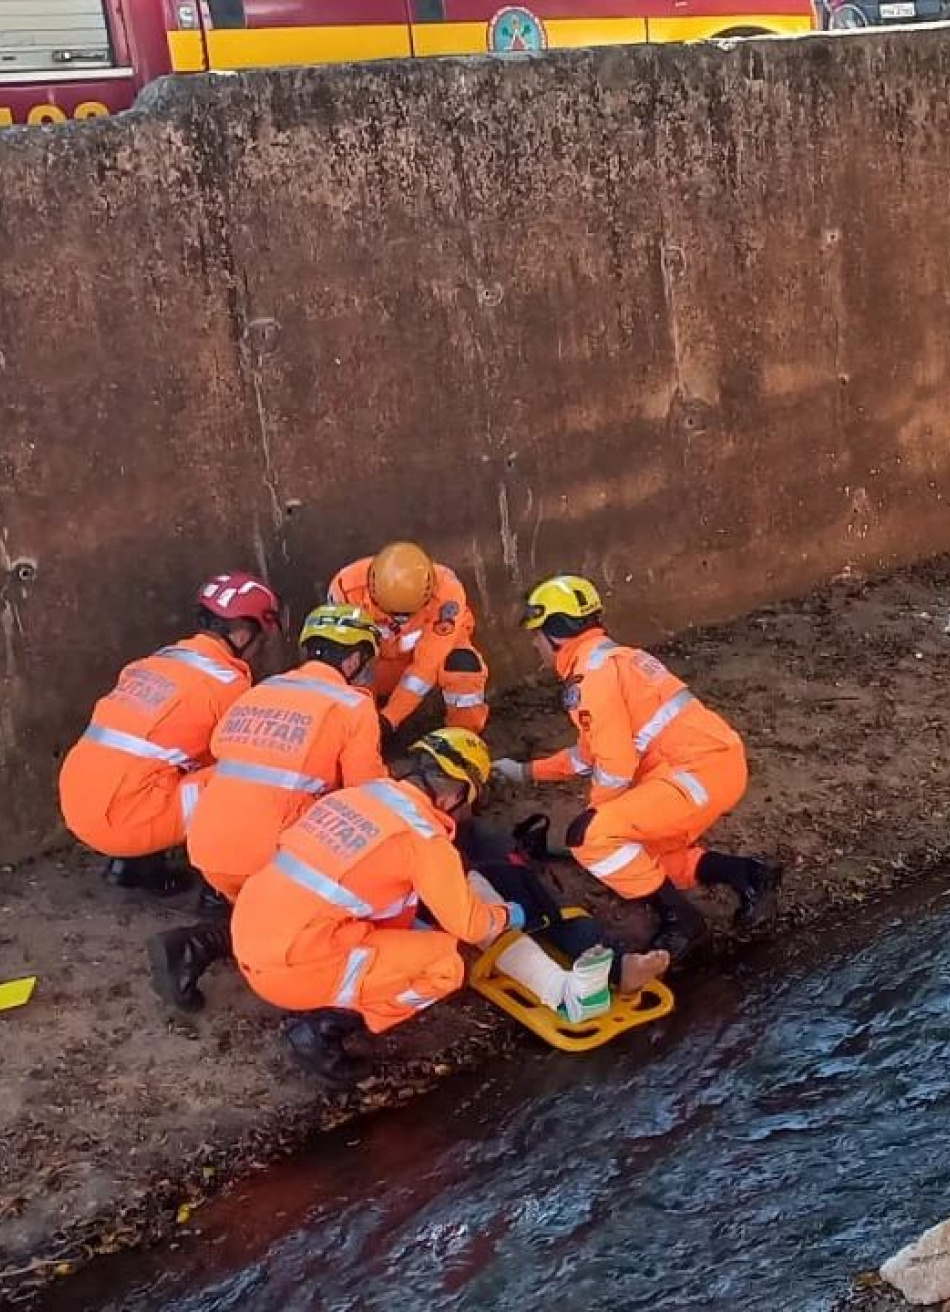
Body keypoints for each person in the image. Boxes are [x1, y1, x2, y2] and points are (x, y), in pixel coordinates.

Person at [492, 574, 781, 962]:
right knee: (639, 857)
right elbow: (590, 753)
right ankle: (749, 876)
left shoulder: (591, 677)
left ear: (556, 633)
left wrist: (597, 820)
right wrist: (527, 772)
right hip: (708, 769)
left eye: (536, 634)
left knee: (592, 839)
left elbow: (614, 764)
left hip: (694, 775)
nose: (534, 643)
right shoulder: (612, 661)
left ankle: (682, 922)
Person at [231, 729, 518, 1084]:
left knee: (406, 925)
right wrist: (505, 915)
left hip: (249, 930)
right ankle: (325, 1028)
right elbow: (471, 927)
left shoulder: (356, 795)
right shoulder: (424, 840)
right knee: (446, 964)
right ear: (454, 795)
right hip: (289, 971)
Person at [148, 604, 387, 1012]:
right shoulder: (352, 706)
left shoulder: (260, 689)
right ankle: (200, 945)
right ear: (352, 659)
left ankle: (207, 933)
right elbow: (366, 796)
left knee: (266, 906)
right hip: (265, 857)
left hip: (207, 846)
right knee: (339, 892)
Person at [58, 572, 282, 894]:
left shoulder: (154, 662)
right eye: (262, 637)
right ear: (244, 631)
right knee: (249, 777)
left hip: (77, 798)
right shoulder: (227, 687)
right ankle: (218, 888)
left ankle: (135, 865)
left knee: (159, 763)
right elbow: (234, 763)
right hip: (123, 820)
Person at [328, 542, 488, 740]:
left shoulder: (447, 593)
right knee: (350, 666)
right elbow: (343, 656)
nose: (400, 622)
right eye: (391, 615)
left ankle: (463, 741)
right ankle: (358, 738)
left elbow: (428, 664)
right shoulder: (346, 589)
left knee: (462, 665)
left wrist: (389, 718)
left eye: (408, 616)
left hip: (427, 665)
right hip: (379, 665)